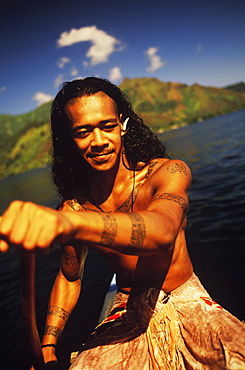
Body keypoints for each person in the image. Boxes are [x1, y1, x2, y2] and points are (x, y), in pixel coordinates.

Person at [0, 77, 245, 370]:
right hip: (127, 308)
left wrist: (69, 223)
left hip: (186, 298)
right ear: (70, 139)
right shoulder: (75, 207)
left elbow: (163, 231)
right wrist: (49, 345)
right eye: (83, 131)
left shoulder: (167, 172)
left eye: (107, 126)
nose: (99, 141)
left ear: (122, 125)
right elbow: (69, 276)